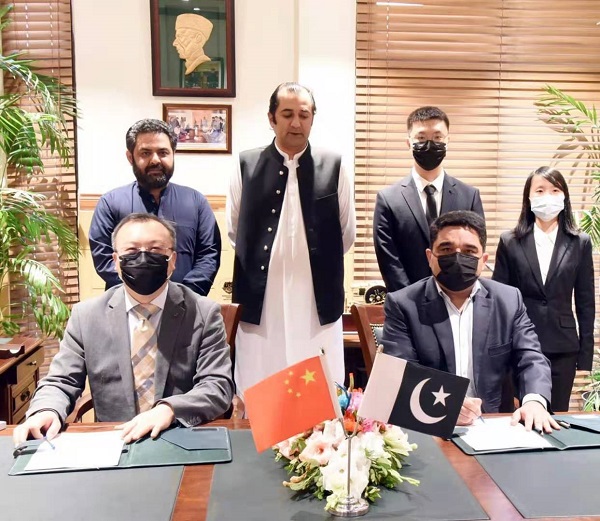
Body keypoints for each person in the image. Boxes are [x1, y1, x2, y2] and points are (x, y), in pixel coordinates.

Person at [14, 213, 234, 445]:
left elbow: (217, 385)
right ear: (116, 261)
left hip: (179, 437)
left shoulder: (203, 312)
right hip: (113, 440)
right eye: (131, 250)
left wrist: (170, 409)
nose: (143, 258)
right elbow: (61, 381)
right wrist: (45, 410)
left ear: (173, 260)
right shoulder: (86, 316)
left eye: (155, 249)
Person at [227, 82, 356, 394]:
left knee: (319, 392)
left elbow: (347, 232)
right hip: (261, 300)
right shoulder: (246, 164)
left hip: (316, 300)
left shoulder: (334, 165)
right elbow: (234, 230)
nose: (296, 123)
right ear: (272, 118)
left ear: (312, 118)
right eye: (287, 114)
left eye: (304, 114)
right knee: (261, 387)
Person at [382, 210, 559, 433]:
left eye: (469, 251)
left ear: (483, 260)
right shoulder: (403, 304)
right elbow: (400, 371)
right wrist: (447, 405)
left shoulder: (508, 300)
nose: (457, 258)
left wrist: (534, 401)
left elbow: (531, 357)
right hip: (429, 423)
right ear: (430, 257)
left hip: (494, 425)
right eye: (446, 249)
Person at [493, 167, 595, 411]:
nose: (547, 196)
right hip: (520, 344)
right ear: (528, 197)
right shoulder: (510, 241)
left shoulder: (579, 242)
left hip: (563, 347)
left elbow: (586, 301)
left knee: (557, 417)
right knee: (519, 417)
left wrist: (585, 354)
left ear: (564, 196)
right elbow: (499, 300)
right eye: (539, 190)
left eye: (555, 190)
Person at [89, 118, 221, 297]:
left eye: (163, 152)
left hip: (185, 307)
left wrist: (182, 298)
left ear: (173, 154)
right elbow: (104, 259)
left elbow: (208, 256)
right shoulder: (110, 203)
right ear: (130, 157)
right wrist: (140, 296)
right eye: (145, 153)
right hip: (127, 307)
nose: (155, 160)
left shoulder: (196, 202)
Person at [373, 106, 485, 292]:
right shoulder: (388, 199)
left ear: (448, 140)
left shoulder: (470, 196)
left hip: (458, 298)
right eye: (421, 138)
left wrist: (456, 295)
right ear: (408, 142)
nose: (430, 145)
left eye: (437, 137)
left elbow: (474, 252)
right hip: (406, 300)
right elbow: (389, 261)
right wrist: (409, 300)